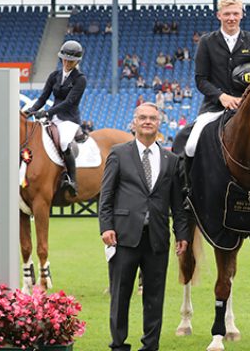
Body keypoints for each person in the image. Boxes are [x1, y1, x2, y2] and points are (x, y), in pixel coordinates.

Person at [99, 102, 190, 351]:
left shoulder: (171, 159)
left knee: (154, 297)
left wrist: (182, 233)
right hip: (123, 236)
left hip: (157, 238)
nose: (147, 121)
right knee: (120, 296)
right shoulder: (119, 153)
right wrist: (106, 226)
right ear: (134, 122)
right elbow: (106, 195)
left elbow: (177, 203)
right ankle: (118, 344)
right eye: (143, 118)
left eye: (152, 118)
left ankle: (150, 346)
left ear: (159, 123)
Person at [184, 0, 250, 157]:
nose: (231, 18)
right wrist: (222, 97)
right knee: (191, 146)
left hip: (249, 107)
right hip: (214, 107)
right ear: (219, 15)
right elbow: (200, 79)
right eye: (227, 14)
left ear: (242, 15)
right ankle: (188, 183)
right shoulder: (206, 42)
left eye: (235, 14)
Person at [26, 40, 87, 196]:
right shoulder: (54, 75)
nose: (67, 63)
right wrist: (30, 110)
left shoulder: (80, 79)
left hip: (69, 119)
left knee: (64, 142)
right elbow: (42, 98)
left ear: (77, 61)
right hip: (53, 117)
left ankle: (72, 180)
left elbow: (69, 102)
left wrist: (47, 113)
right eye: (65, 59)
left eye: (71, 61)